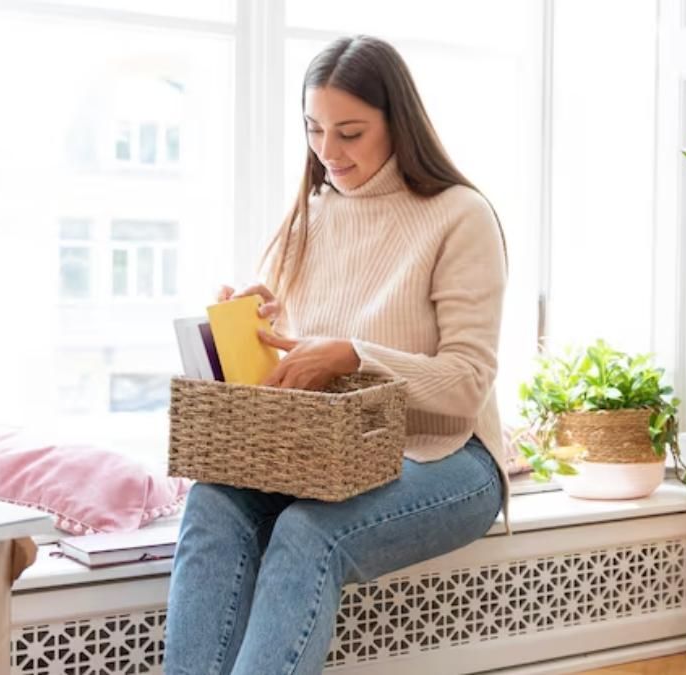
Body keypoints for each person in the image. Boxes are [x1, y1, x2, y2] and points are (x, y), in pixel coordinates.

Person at [163, 34, 509, 675]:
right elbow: (296, 372)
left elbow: (466, 384)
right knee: (211, 500)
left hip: (451, 457)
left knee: (307, 532)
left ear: (396, 123)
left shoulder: (460, 216)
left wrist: (353, 354)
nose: (328, 151)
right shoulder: (307, 217)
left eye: (350, 132)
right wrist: (254, 325)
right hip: (325, 458)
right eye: (314, 129)